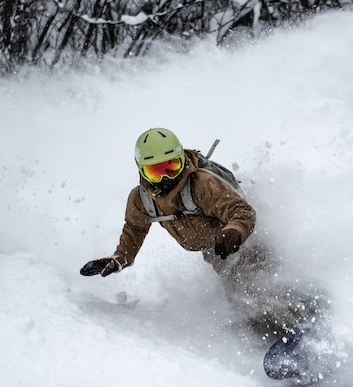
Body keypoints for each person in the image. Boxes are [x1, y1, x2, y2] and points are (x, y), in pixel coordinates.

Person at [82, 127, 322, 338]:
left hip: (245, 238)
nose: (165, 178)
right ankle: (274, 329)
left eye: (171, 167)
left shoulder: (201, 184)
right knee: (241, 297)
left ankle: (304, 331)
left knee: (258, 287)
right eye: (156, 171)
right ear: (142, 171)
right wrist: (119, 259)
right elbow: (135, 229)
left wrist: (233, 232)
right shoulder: (142, 199)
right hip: (218, 251)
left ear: (181, 160)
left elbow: (242, 211)